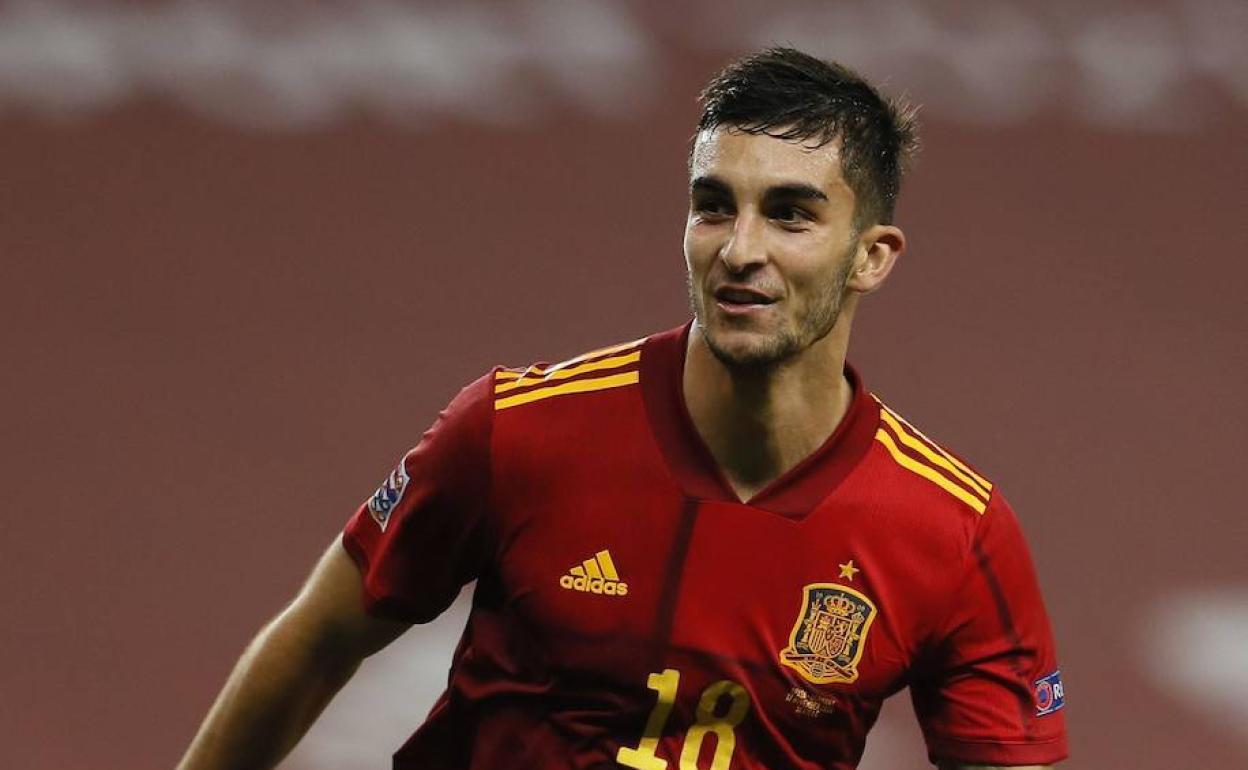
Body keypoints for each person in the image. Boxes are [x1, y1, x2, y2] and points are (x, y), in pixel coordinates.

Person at [177, 47, 1067, 770]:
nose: (740, 250)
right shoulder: (515, 431)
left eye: (790, 215)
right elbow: (317, 643)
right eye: (714, 207)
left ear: (873, 256)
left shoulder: (955, 536)